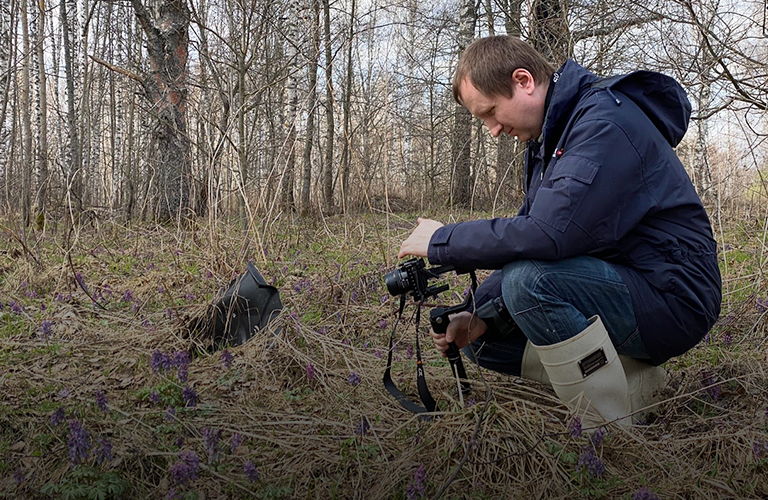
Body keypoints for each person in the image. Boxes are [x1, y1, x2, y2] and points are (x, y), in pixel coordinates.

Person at [397, 36, 721, 424]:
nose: (493, 130)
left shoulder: (603, 124)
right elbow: (530, 238)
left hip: (672, 296)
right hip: (626, 279)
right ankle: (634, 381)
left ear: (524, 81)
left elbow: (546, 234)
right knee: (481, 339)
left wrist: (443, 240)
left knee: (527, 284)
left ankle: (609, 424)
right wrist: (475, 313)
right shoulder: (555, 138)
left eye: (490, 112)